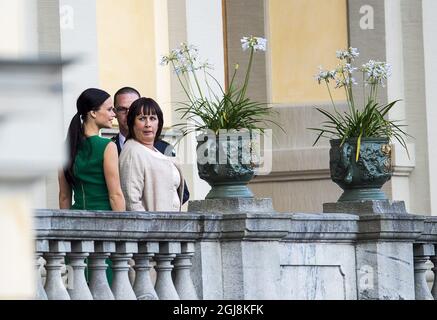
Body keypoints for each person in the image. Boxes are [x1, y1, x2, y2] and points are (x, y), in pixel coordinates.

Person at [113, 86, 190, 203]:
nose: (128, 113)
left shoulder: (164, 148)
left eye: (134, 108)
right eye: (123, 109)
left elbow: (182, 193)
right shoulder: (108, 148)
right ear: (115, 113)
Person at [58, 88, 125, 211]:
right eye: (109, 109)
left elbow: (64, 197)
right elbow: (115, 195)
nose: (114, 114)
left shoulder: (67, 148)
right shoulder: (107, 146)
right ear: (93, 113)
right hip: (104, 221)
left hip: (75, 221)